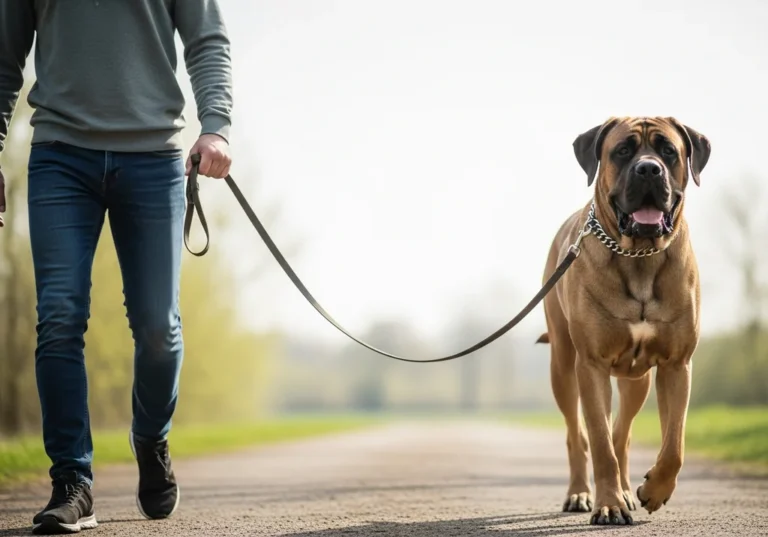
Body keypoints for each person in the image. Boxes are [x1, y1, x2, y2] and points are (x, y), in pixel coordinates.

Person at [0, 1, 233, 534]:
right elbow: (4, 57)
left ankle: (150, 437)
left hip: (153, 157)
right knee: (59, 316)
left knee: (158, 329)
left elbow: (207, 40)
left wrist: (216, 126)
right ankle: (72, 481)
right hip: (60, 155)